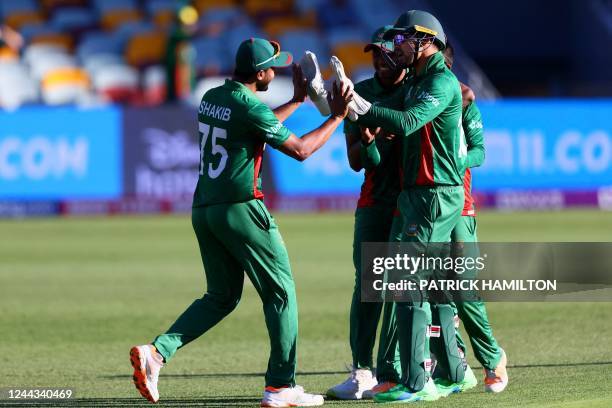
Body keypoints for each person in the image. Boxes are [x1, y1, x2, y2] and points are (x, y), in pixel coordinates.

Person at [130, 37, 352, 407]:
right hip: (242, 208)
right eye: (273, 66)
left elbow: (253, 127)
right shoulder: (250, 106)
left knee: (221, 296)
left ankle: (156, 353)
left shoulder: (213, 97)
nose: (277, 71)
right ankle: (281, 386)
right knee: (281, 294)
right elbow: (301, 150)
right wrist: (338, 116)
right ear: (261, 73)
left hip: (205, 209)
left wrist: (297, 101)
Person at [330, 10, 472, 402]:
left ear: (425, 41)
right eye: (386, 44)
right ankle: (444, 371)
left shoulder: (434, 82)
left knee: (408, 284)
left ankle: (414, 378)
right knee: (409, 285)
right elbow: (365, 157)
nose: (390, 50)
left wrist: (356, 106)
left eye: (399, 41)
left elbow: (410, 121)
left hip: (430, 194)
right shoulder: (423, 81)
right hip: (410, 196)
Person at [326, 25, 407, 400]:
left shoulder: (420, 89)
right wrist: (369, 142)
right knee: (369, 288)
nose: (378, 60)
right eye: (374, 53)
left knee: (407, 287)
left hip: (415, 202)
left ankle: (407, 367)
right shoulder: (360, 92)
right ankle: (362, 370)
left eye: (385, 53)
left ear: (402, 54)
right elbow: (356, 161)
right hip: (375, 202)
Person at [435, 41, 509, 394]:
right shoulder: (419, 100)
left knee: (463, 288)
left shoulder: (463, 104)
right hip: (424, 206)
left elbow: (479, 152)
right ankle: (454, 362)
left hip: (460, 207)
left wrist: (454, 162)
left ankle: (493, 358)